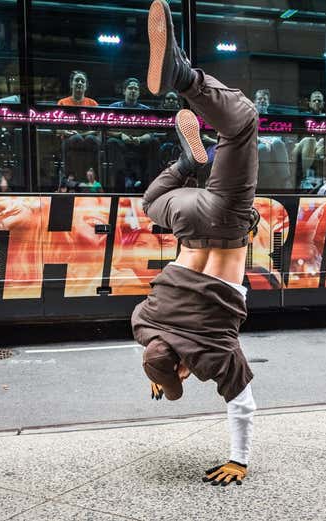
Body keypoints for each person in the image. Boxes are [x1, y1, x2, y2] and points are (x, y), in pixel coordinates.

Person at [132, 0, 259, 487]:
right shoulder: (148, 329)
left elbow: (242, 402)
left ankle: (182, 74)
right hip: (184, 219)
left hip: (225, 224)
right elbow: (157, 354)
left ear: (187, 370)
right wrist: (160, 375)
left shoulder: (212, 353)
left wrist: (239, 460)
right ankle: (187, 161)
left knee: (241, 123)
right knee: (149, 202)